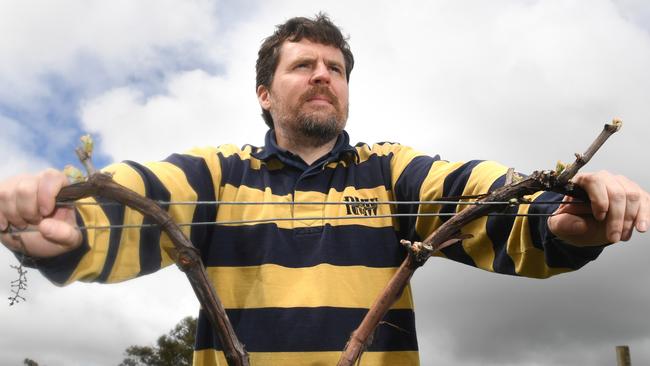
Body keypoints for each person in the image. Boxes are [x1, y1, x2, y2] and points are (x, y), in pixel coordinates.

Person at [0, 14, 648, 366]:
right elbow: (148, 196)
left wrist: (554, 216)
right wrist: (74, 228)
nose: (322, 76)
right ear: (264, 92)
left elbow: (474, 194)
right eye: (303, 65)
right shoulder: (222, 174)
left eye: (335, 69)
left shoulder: (389, 172)